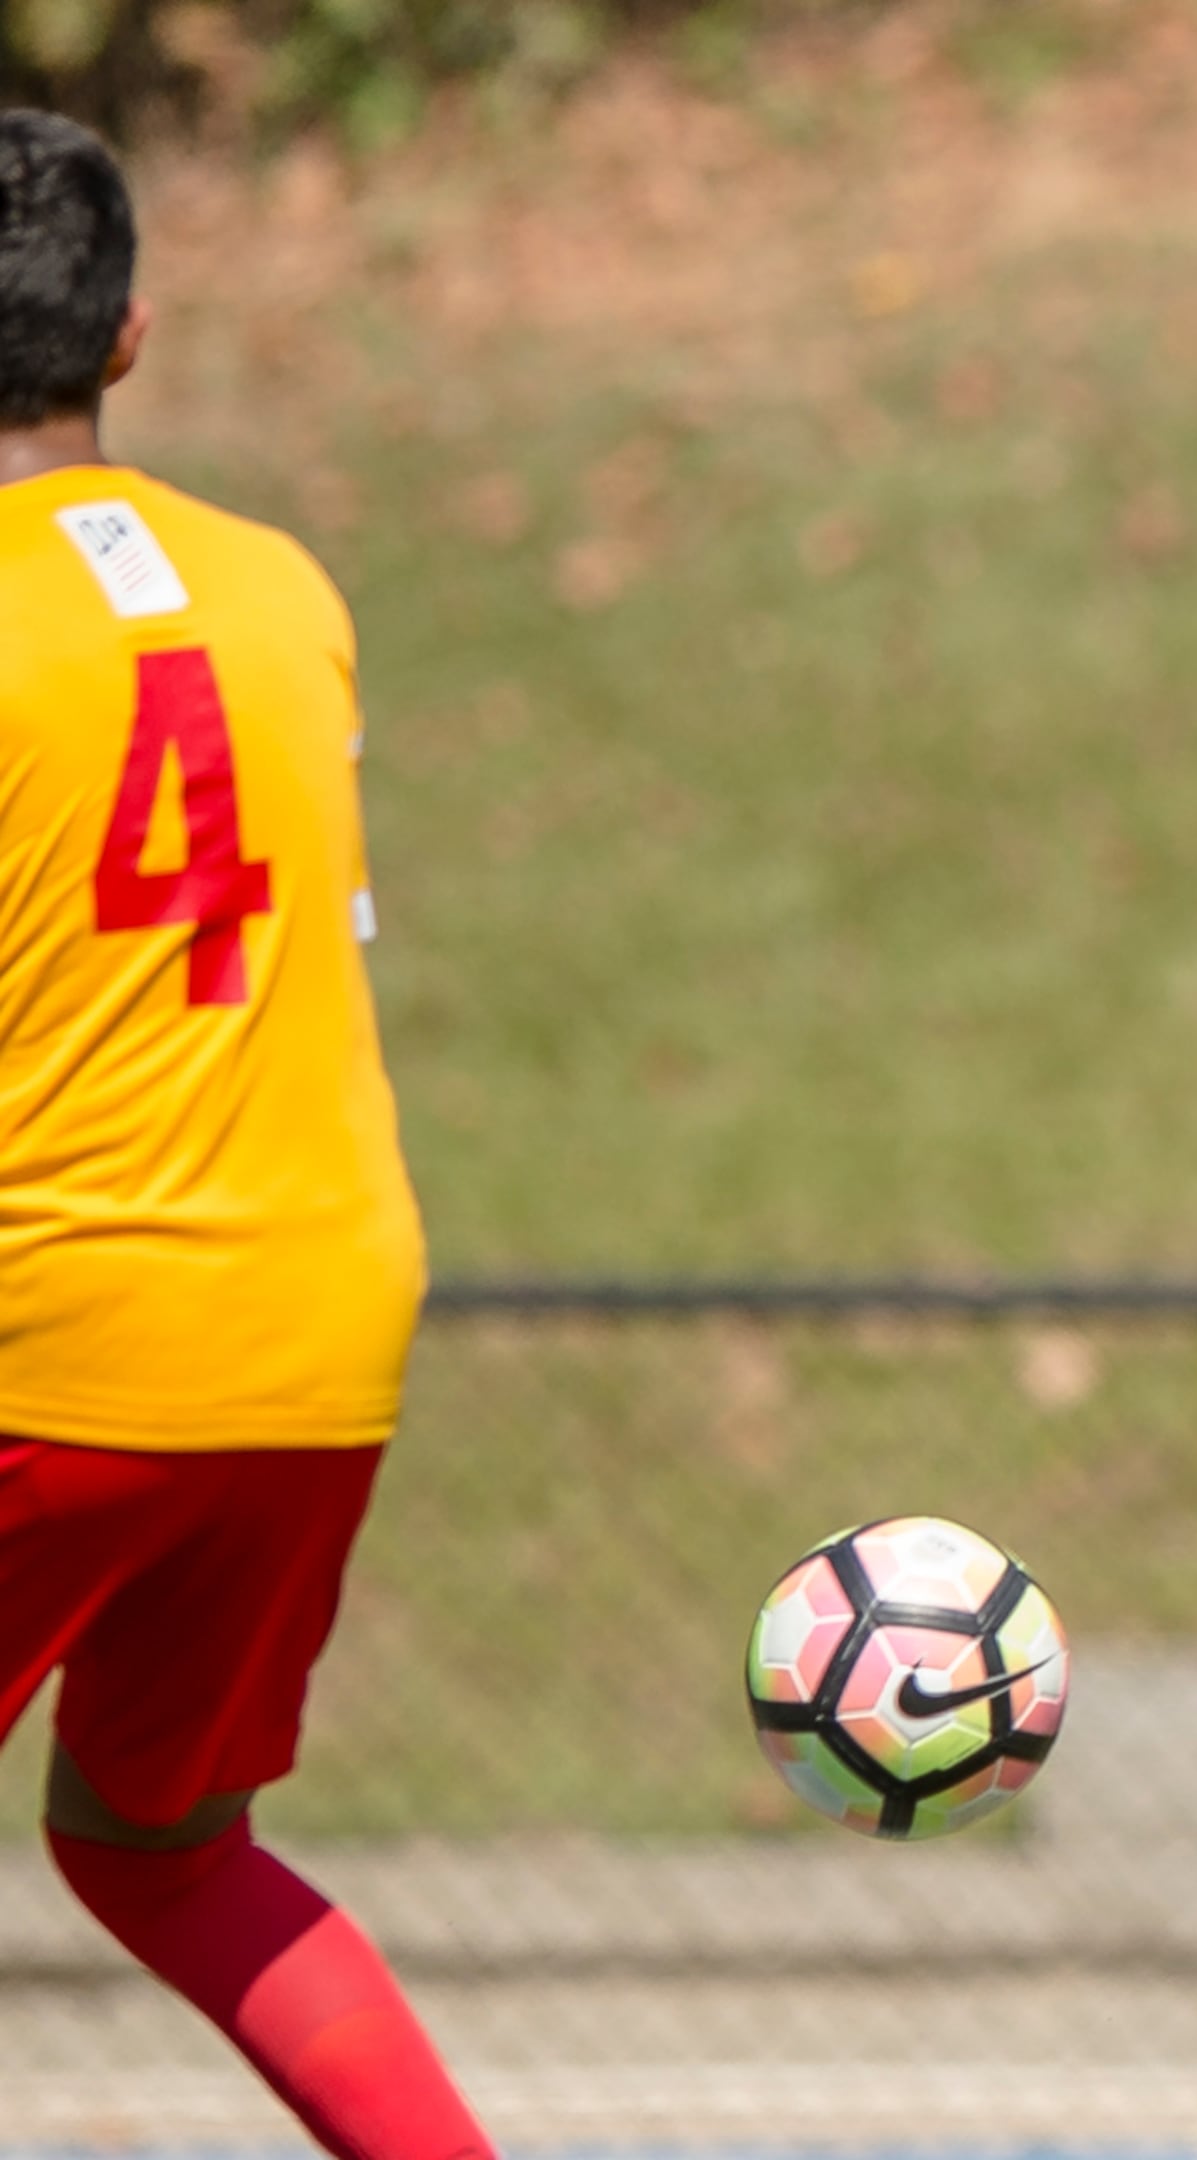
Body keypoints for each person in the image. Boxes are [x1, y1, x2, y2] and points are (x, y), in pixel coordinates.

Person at [0, 109, 488, 2160]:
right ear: (128, 337)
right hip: (314, 1328)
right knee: (161, 1842)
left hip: (54, 1324)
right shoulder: (286, 592)